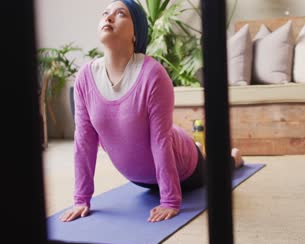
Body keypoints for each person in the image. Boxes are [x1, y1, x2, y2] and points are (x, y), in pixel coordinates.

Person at [60, 0, 244, 223]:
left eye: (120, 14)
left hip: (184, 167)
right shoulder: (84, 78)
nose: (108, 18)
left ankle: (233, 158)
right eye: (105, 13)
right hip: (140, 178)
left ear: (136, 32)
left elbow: (160, 140)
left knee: (217, 172)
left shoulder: (152, 74)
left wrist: (170, 201)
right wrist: (81, 199)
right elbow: (84, 141)